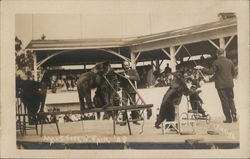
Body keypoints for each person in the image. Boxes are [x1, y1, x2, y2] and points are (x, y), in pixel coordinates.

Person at [195, 48, 237, 123]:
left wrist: (201, 68)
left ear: (217, 54)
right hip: (230, 84)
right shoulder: (230, 61)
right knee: (231, 99)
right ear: (223, 53)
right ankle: (234, 114)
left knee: (224, 101)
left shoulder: (216, 62)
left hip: (221, 86)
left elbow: (210, 72)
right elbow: (233, 73)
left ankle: (229, 118)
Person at [120, 61, 141, 126]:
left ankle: (135, 120)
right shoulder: (121, 72)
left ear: (129, 65)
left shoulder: (133, 71)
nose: (126, 66)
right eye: (125, 65)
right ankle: (124, 121)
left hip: (132, 91)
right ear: (123, 66)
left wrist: (129, 77)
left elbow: (137, 78)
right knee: (124, 105)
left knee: (133, 105)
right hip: (124, 91)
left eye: (127, 65)